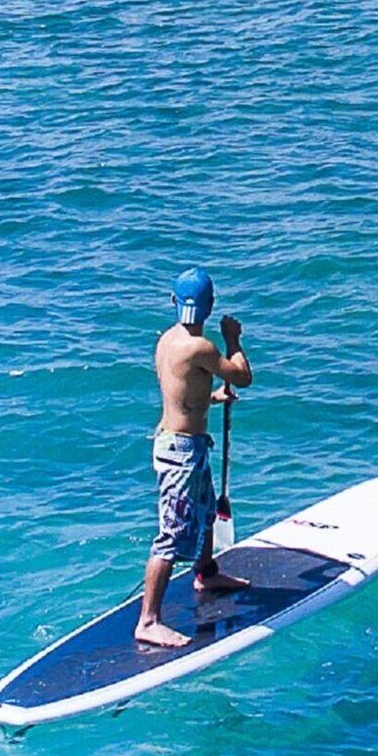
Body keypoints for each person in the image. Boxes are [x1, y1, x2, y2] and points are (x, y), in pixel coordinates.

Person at [139, 269, 254, 648]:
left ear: (174, 302)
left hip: (183, 444)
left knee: (204, 515)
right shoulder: (203, 347)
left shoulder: (168, 342)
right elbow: (241, 376)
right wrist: (233, 339)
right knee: (171, 536)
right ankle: (149, 620)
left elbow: (184, 393)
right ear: (211, 307)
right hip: (181, 453)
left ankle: (205, 572)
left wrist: (213, 398)